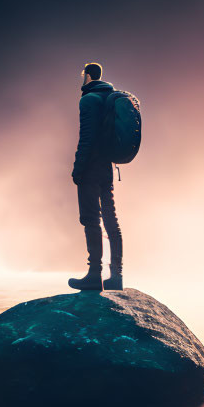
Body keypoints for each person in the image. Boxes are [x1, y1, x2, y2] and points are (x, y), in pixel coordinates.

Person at [69, 62, 123, 291]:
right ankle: (116, 276)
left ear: (88, 75)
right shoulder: (112, 98)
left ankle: (94, 275)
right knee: (110, 219)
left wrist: (77, 169)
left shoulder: (88, 100)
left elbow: (87, 138)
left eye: (83, 75)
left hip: (91, 167)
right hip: (107, 168)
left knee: (91, 219)